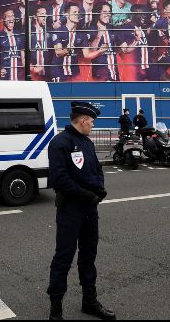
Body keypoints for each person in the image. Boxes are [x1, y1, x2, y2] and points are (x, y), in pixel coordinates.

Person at [47, 101, 115, 321]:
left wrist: (100, 188)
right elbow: (59, 179)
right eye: (92, 122)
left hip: (89, 208)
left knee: (89, 255)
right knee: (64, 257)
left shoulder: (86, 142)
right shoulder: (60, 143)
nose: (93, 126)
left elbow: (96, 167)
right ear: (83, 121)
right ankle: (56, 309)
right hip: (70, 209)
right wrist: (87, 194)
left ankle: (89, 301)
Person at [83, 3, 134, 82]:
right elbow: (91, 52)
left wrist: (136, 40)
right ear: (98, 13)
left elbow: (125, 50)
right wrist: (99, 35)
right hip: (100, 73)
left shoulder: (112, 28)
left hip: (114, 73)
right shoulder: (90, 28)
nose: (108, 14)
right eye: (105, 12)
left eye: (109, 12)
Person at [51, 3, 88, 82]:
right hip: (59, 71)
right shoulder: (59, 31)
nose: (77, 14)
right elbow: (58, 52)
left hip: (75, 72)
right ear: (67, 15)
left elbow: (87, 54)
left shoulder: (82, 34)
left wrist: (100, 51)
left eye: (78, 12)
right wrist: (67, 49)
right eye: (74, 12)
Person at [0, 9, 25, 81]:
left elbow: (23, 59)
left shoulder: (20, 35)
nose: (11, 18)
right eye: (8, 16)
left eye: (12, 15)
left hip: (20, 79)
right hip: (6, 80)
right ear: (3, 20)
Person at [30, 4, 52, 79]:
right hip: (33, 74)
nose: (45, 17)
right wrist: (31, 67)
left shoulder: (49, 31)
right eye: (42, 14)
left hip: (48, 74)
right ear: (35, 17)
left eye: (45, 14)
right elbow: (23, 54)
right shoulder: (28, 32)